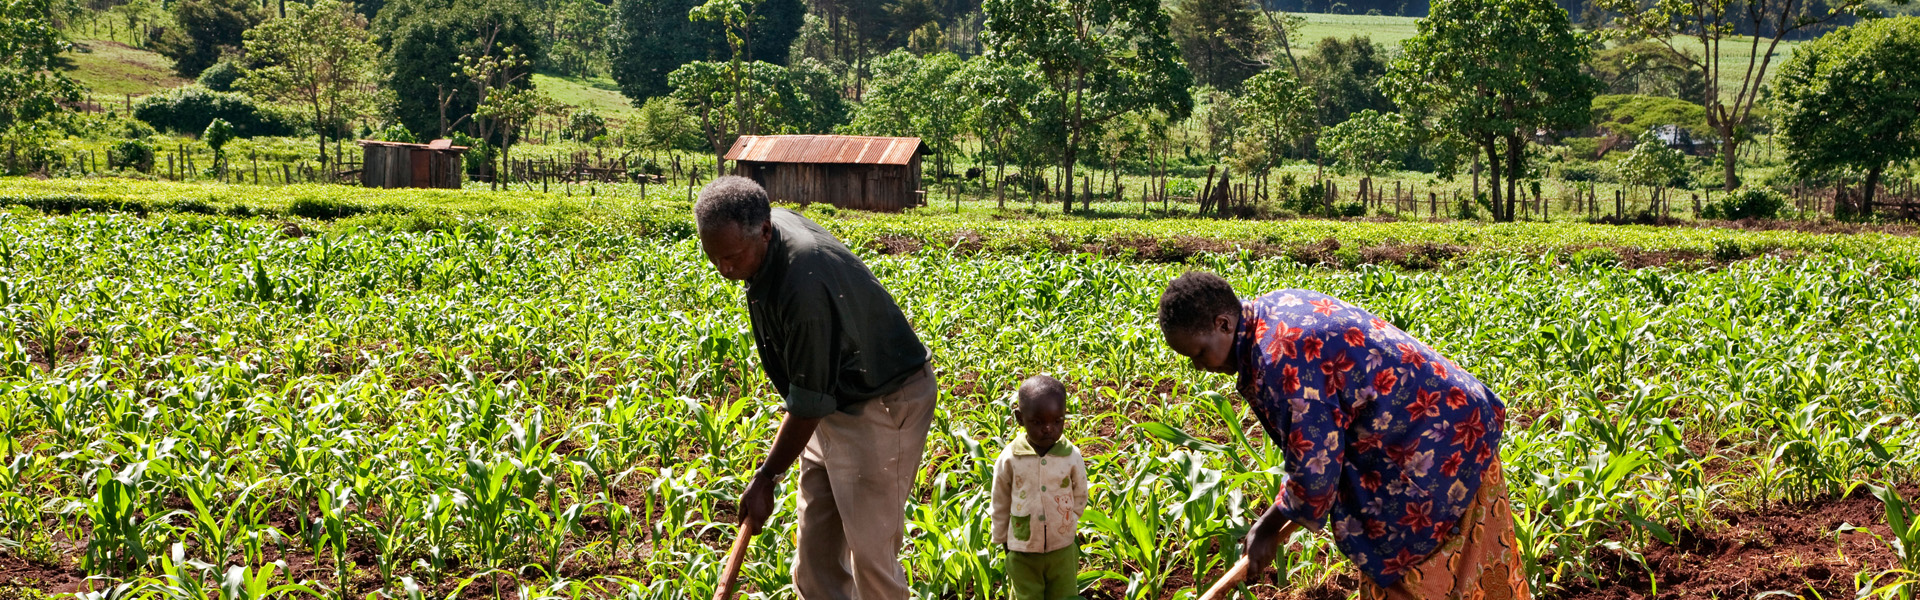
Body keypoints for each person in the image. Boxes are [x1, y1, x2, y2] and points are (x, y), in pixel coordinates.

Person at [1156, 272, 1528, 599]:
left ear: (1223, 324)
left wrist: (1267, 528)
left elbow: (1315, 471)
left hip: (1441, 454)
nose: (1200, 366)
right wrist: (1272, 521)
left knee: (1426, 582)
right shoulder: (1273, 310)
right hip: (1447, 433)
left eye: (1200, 353)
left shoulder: (1279, 355)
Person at [694, 176, 936, 599]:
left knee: (871, 558)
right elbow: (810, 398)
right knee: (815, 559)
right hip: (833, 403)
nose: (725, 269)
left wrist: (767, 477)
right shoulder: (760, 230)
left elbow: (807, 402)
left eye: (732, 257)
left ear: (765, 231)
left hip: (879, 404)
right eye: (714, 258)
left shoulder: (803, 284)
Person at [991, 375, 1088, 600]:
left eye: (1057, 421)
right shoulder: (1011, 458)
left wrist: (1071, 518)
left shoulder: (1071, 456)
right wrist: (1002, 538)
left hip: (1062, 546)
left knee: (1064, 594)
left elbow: (1080, 491)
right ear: (1020, 418)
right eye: (1037, 422)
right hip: (1023, 548)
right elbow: (1000, 499)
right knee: (1027, 595)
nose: (1048, 429)